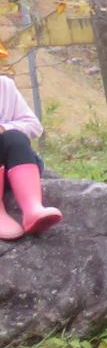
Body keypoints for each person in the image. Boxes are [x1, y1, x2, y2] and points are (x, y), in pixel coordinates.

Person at [0, 66, 60, 237]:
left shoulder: (4, 86)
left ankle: (33, 209)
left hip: (14, 171)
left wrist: (4, 128)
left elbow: (34, 126)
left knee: (15, 137)